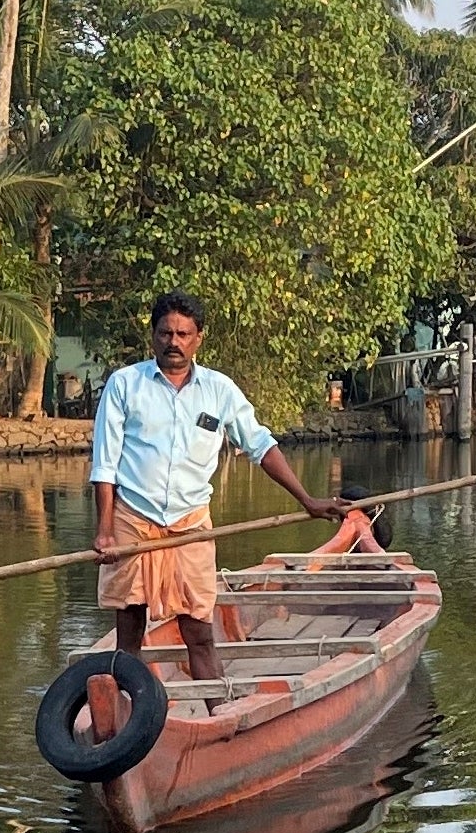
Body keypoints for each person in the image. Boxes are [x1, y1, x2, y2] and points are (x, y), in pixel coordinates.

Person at [88, 291, 346, 682]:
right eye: (166, 333)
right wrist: (105, 531)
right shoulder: (125, 385)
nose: (174, 342)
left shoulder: (219, 390)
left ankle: (216, 710)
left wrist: (307, 499)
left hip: (190, 522)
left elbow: (260, 446)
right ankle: (126, 716)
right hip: (133, 521)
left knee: (199, 630)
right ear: (153, 336)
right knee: (129, 631)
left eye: (183, 334)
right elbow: (105, 463)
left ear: (198, 339)